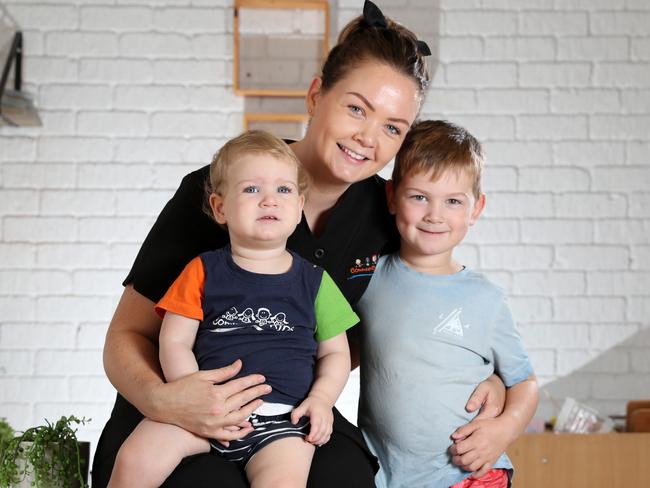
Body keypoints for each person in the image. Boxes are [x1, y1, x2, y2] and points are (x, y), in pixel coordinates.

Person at [92, 2, 513, 486]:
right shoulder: (223, 190)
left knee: (347, 474)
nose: (367, 137)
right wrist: (166, 400)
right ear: (316, 95)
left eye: (392, 127)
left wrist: (487, 381)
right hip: (173, 409)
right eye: (356, 108)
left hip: (289, 415)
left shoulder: (389, 213)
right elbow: (125, 337)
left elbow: (420, 314)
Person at [107, 131, 358, 488]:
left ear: (300, 206)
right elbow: (174, 341)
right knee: (135, 458)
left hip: (282, 422)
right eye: (252, 189)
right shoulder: (202, 271)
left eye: (283, 190)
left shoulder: (316, 282)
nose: (270, 200)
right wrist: (190, 396)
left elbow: (336, 353)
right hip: (202, 413)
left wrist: (321, 398)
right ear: (220, 207)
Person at [356, 120, 539, 488]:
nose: (434, 215)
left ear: (476, 209)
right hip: (389, 474)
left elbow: (525, 383)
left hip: (469, 474)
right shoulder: (366, 278)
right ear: (392, 197)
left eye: (453, 201)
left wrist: (502, 431)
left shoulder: (485, 298)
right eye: (419, 196)